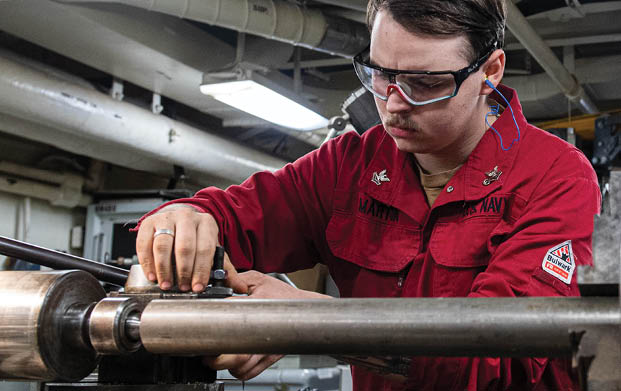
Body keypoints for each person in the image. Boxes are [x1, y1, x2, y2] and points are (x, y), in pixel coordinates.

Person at [135, 0, 601, 389]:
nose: (395, 102)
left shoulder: (555, 178)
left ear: (491, 71)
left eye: (425, 83)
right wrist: (189, 218)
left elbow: (496, 359)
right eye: (381, 74)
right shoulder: (349, 166)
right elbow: (237, 216)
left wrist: (312, 326)